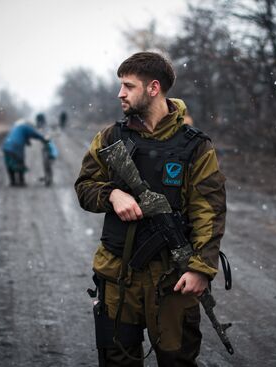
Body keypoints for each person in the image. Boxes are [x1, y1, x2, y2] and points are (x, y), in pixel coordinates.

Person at [75, 52, 227, 366]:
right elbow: (84, 187)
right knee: (117, 360)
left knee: (177, 360)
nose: (120, 93)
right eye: (121, 86)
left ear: (153, 88)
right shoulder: (110, 138)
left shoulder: (196, 146)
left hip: (173, 279)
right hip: (118, 275)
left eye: (128, 86)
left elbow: (209, 210)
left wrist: (200, 268)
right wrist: (113, 193)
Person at [2, 115, 47, 187]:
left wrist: (27, 141)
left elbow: (19, 136)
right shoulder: (25, 126)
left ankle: (13, 182)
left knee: (9, 163)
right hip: (16, 146)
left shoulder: (15, 127)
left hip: (6, 145)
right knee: (20, 161)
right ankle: (21, 181)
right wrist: (43, 138)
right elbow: (34, 134)